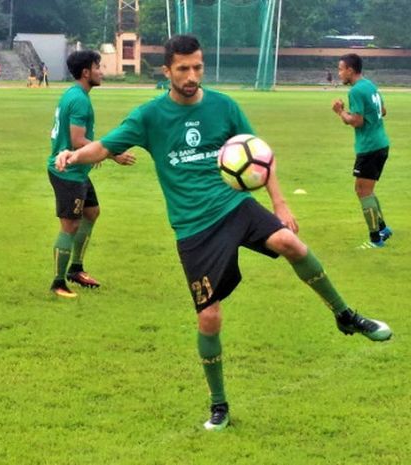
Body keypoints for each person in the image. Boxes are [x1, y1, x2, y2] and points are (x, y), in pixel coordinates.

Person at [56, 35, 393, 431]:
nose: (192, 75)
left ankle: (346, 315)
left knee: (291, 242)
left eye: (197, 66)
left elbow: (260, 153)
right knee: (210, 318)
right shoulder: (149, 116)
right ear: (167, 72)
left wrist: (281, 204)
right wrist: (73, 155)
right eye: (183, 68)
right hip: (193, 226)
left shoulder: (223, 106)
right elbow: (104, 146)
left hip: (233, 205)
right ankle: (220, 406)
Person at [47, 50, 135, 298]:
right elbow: (76, 140)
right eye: (98, 67)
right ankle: (58, 283)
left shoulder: (75, 94)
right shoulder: (80, 100)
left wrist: (93, 153)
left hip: (77, 170)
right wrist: (109, 154)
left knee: (91, 212)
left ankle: (76, 269)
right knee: (70, 225)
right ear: (86, 72)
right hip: (67, 172)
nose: (101, 72)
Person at [332, 53, 393, 249]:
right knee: (367, 189)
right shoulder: (370, 85)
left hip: (370, 147)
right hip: (380, 143)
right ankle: (383, 228)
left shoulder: (356, 91)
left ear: (350, 70)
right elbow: (382, 111)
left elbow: (356, 121)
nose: (339, 73)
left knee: (362, 191)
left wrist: (340, 112)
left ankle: (376, 239)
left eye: (341, 69)